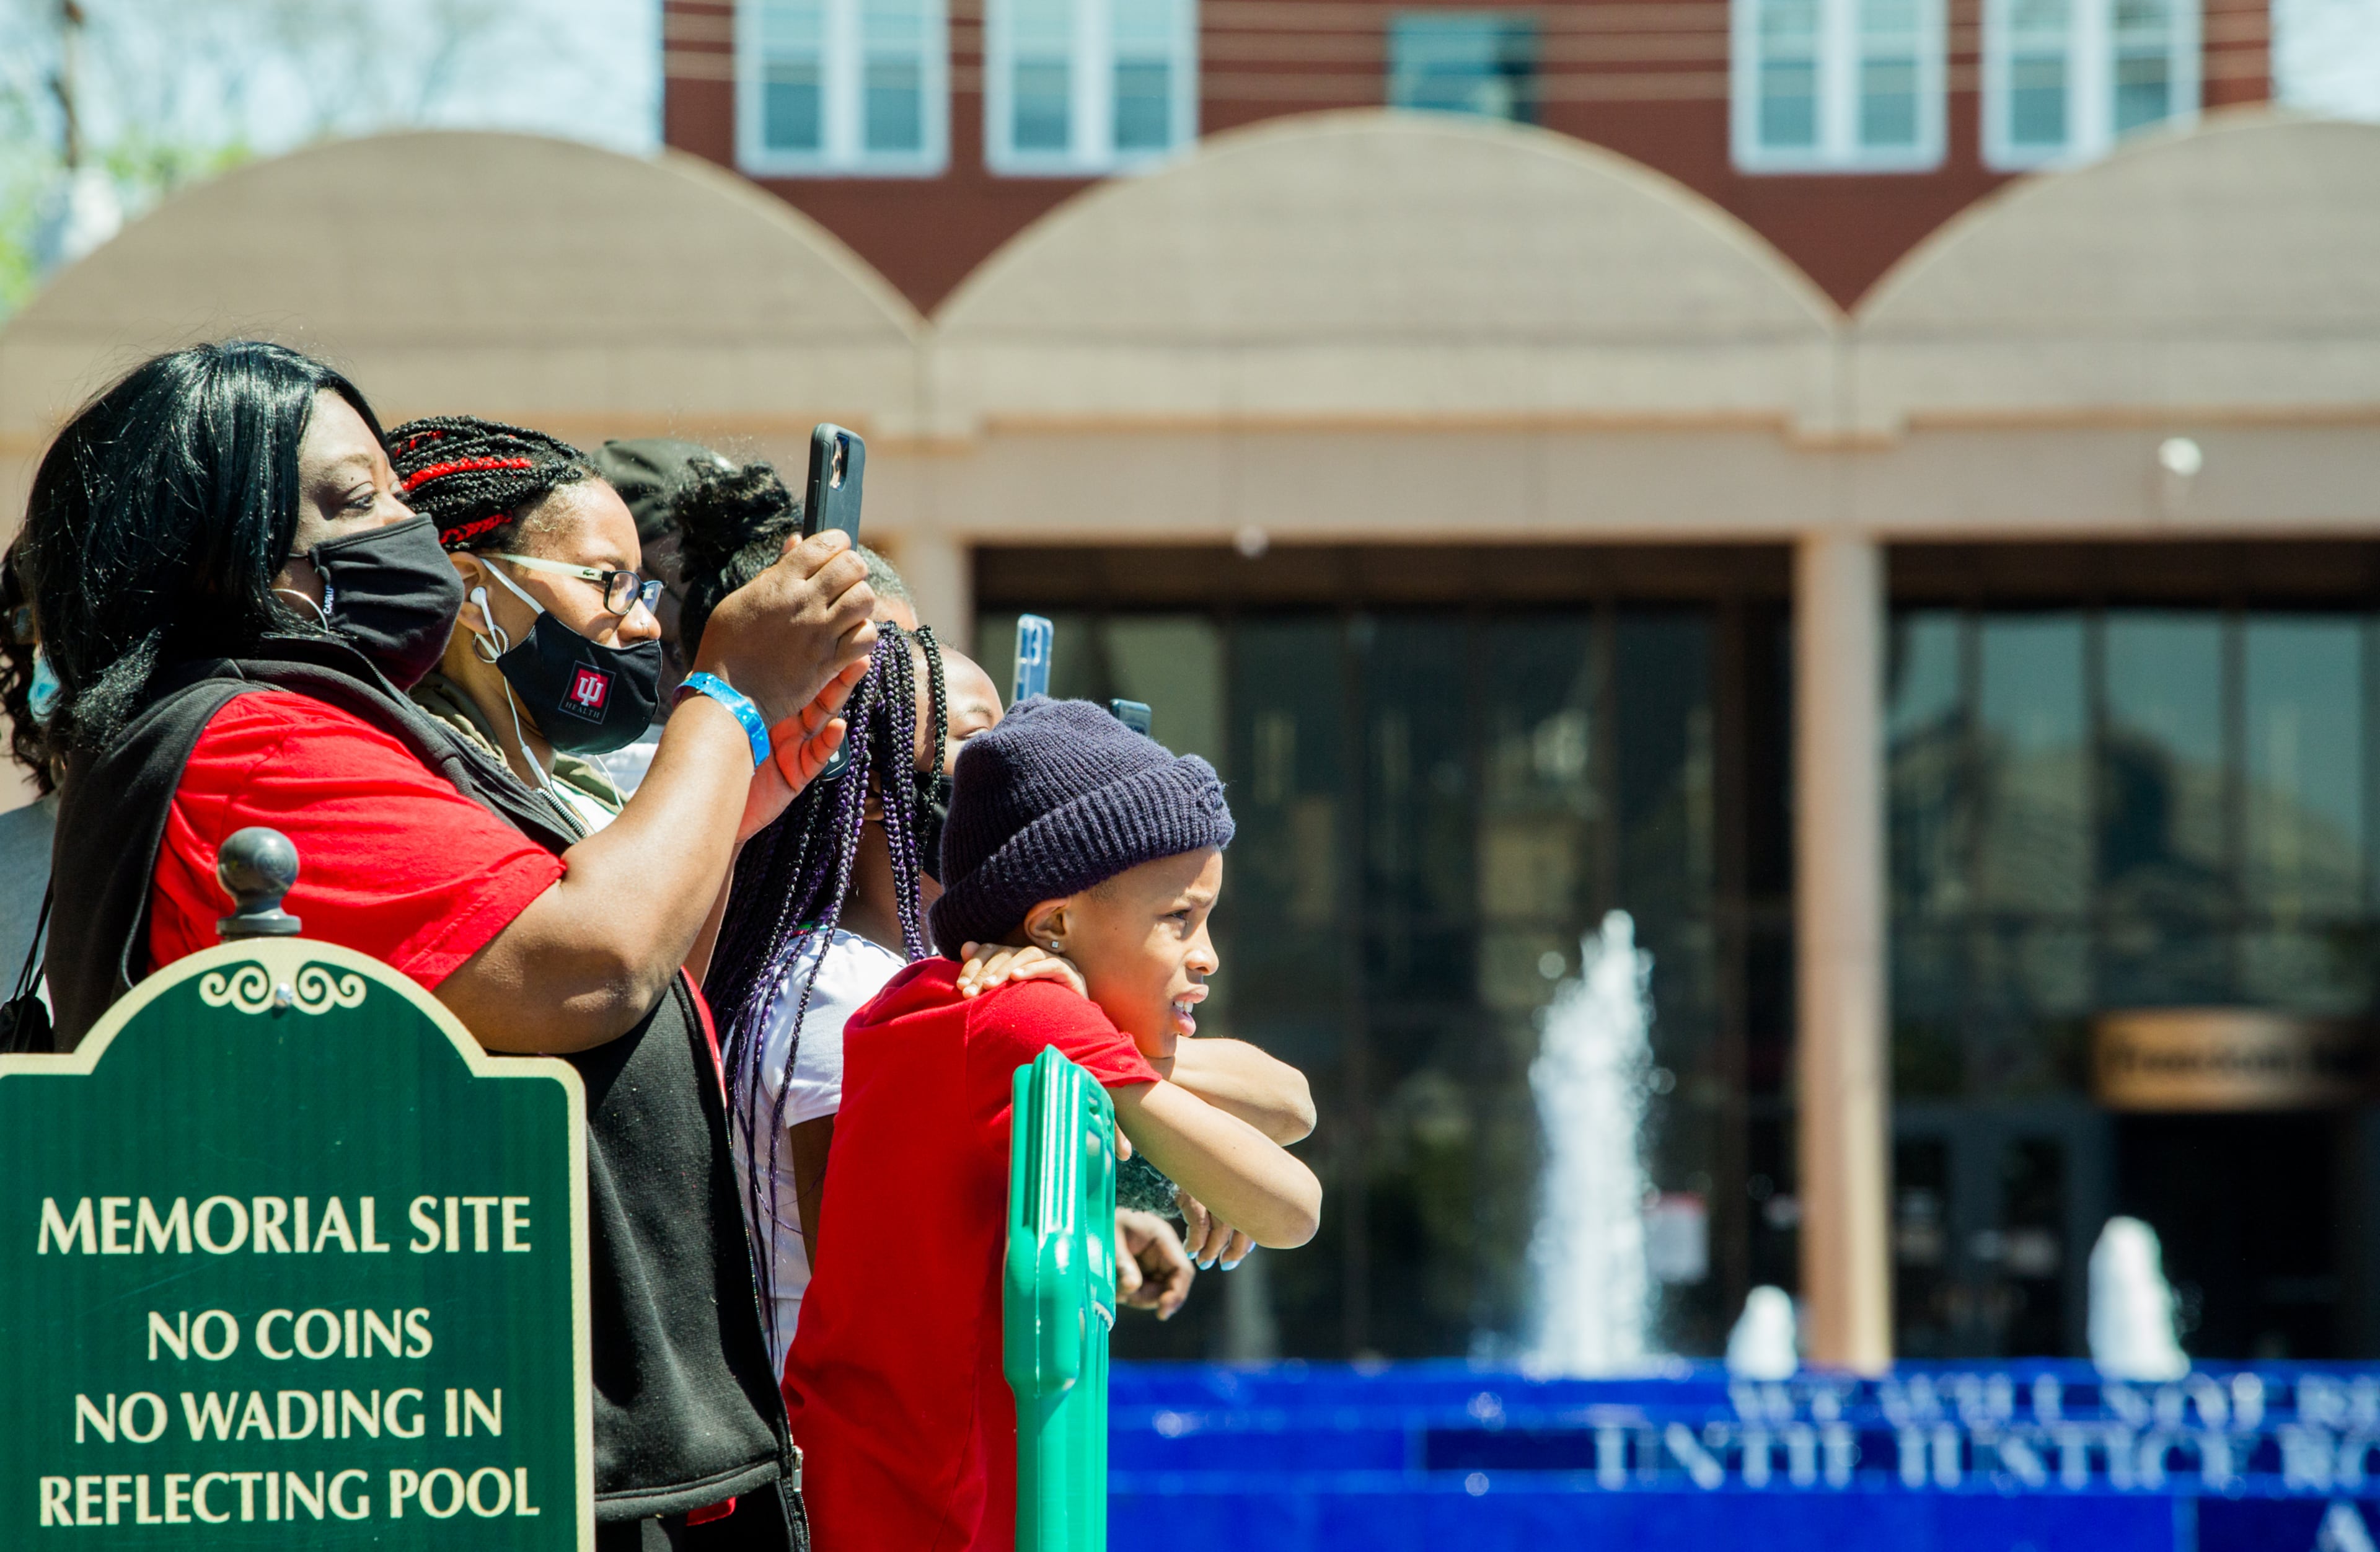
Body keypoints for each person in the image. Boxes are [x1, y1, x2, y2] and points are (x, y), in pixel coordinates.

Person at [20, 340, 875, 1548]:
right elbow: (586, 966)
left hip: (511, 1458)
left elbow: (610, 993)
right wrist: (725, 695)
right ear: (217, 547)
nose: (403, 528)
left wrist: (731, 798)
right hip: (467, 1466)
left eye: (401, 496)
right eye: (356, 499)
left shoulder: (301, 728)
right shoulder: (256, 744)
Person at [671, 462, 1194, 1382]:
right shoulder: (832, 992)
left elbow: (1285, 1101)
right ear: (871, 783)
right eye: (970, 743)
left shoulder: (906, 972)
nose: (1000, 774)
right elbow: (876, 1284)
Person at [784, 696, 1322, 1551]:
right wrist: (1156, 1116)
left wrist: (1116, 1061)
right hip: (931, 1518)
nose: (1207, 953)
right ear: (1055, 924)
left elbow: (1291, 1103)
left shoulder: (933, 1006)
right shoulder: (1023, 1019)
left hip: (875, 1496)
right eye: (1177, 919)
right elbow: (1292, 1208)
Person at [384, 417, 663, 834]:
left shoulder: (588, 794)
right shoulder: (417, 791)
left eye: (639, 590)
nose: (647, 624)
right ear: (473, 591)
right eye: (609, 581)